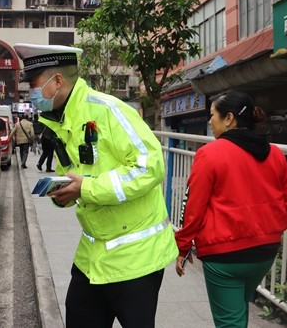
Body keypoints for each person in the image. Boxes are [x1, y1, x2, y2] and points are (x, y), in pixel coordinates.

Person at [14, 43, 178, 328]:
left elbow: (150, 166)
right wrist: (61, 195)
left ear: (57, 81)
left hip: (135, 258)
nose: (31, 92)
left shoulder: (109, 110)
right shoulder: (60, 121)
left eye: (33, 84)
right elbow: (72, 174)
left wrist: (86, 188)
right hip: (93, 253)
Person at [174, 91, 287, 328]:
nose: (210, 121)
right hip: (264, 252)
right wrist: (270, 230)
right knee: (238, 311)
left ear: (229, 118)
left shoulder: (209, 154)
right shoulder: (275, 153)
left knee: (229, 321)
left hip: (224, 256)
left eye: (213, 115)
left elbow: (193, 207)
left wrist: (183, 246)